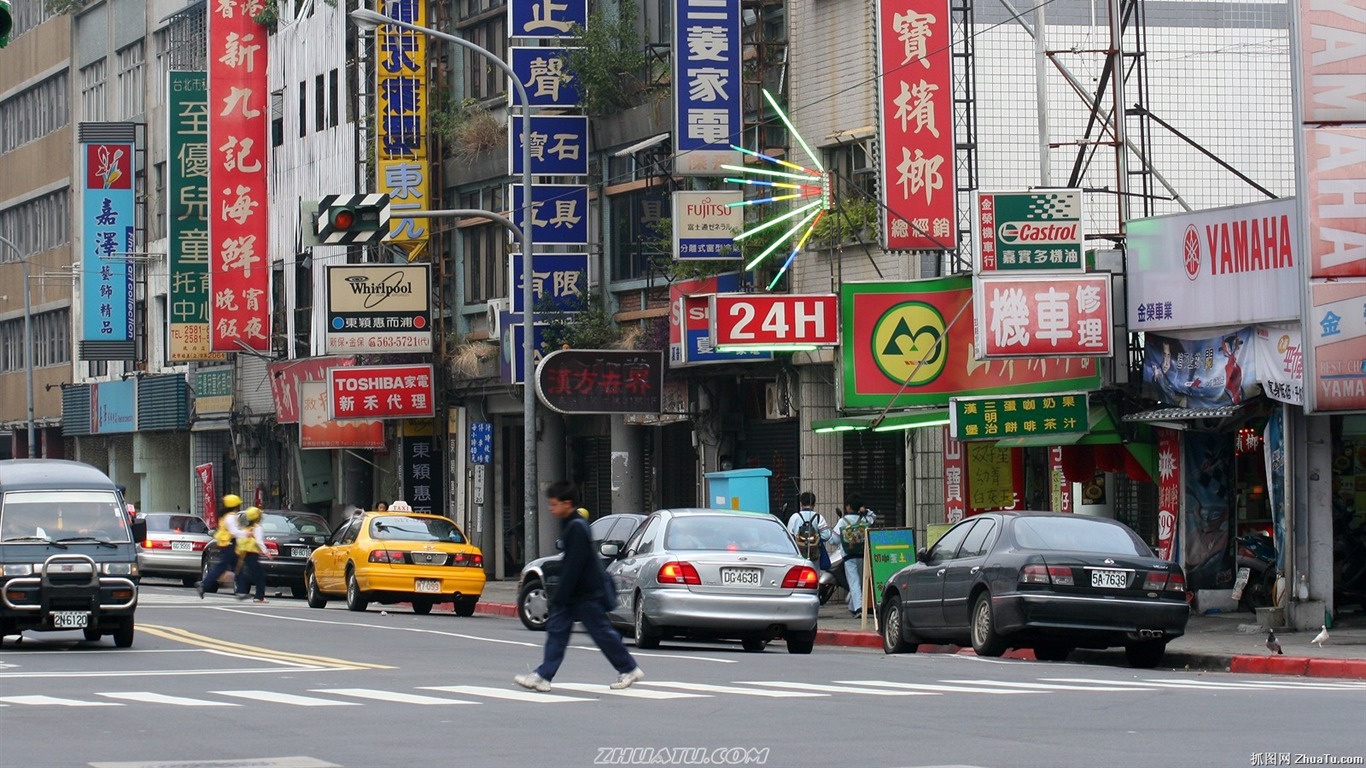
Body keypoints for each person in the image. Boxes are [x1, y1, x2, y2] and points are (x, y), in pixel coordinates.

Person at [514, 480, 644, 693]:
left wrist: (560, 595)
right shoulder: (572, 524)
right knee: (560, 632)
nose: (551, 508)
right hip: (578, 593)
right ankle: (543, 675)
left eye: (554, 504)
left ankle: (628, 667)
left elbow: (575, 565)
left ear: (567, 503)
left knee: (600, 633)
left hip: (584, 593)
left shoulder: (576, 527)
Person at [832, 492, 876, 618]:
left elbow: (833, 540)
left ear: (848, 507)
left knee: (854, 581)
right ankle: (853, 606)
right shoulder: (864, 519)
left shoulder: (843, 521)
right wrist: (865, 510)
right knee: (860, 582)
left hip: (848, 556)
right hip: (862, 554)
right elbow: (873, 517)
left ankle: (858, 609)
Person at [197, 494, 244, 598]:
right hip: (230, 544)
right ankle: (241, 591)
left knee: (228, 567)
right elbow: (234, 531)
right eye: (238, 504)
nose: (239, 506)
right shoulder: (231, 517)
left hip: (226, 544)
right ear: (235, 505)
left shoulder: (226, 515)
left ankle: (204, 584)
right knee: (237, 567)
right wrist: (246, 534)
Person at [233, 506, 272, 603]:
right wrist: (266, 552)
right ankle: (259, 596)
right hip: (252, 553)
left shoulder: (246, 528)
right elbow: (259, 541)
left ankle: (241, 591)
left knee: (244, 572)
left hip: (243, 552)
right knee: (259, 575)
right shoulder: (257, 528)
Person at [786, 491, 830, 568]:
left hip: (798, 553)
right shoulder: (818, 517)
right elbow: (826, 535)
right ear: (814, 504)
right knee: (814, 574)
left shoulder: (794, 517)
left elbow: (788, 536)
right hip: (814, 553)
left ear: (801, 503)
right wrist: (816, 539)